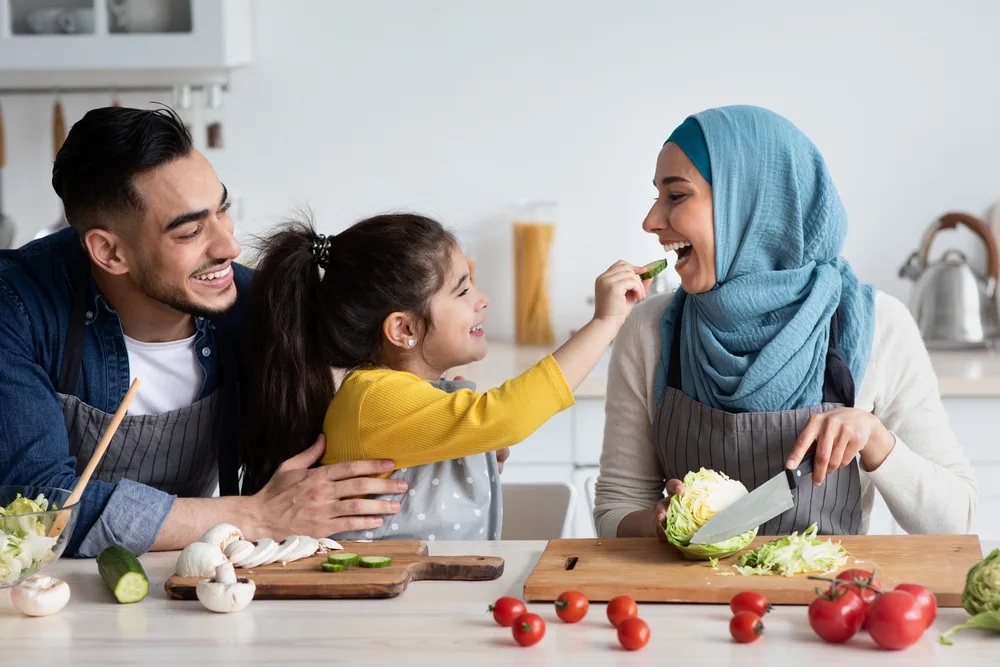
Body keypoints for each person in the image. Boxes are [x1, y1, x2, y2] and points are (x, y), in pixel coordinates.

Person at [0, 106, 424, 558]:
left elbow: (364, 394)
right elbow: (41, 508)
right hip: (51, 585)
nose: (230, 246)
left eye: (223, 211)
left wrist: (440, 403)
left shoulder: (254, 304)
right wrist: (256, 516)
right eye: (190, 232)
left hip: (200, 570)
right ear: (109, 251)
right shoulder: (17, 308)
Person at [594, 105, 978, 540]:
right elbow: (615, 509)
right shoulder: (649, 329)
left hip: (827, 586)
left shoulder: (878, 327)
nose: (650, 222)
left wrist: (876, 441)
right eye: (657, 197)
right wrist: (655, 524)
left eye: (677, 196)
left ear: (751, 204)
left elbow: (956, 522)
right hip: (681, 586)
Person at [240, 215, 649, 541]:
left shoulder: (404, 395)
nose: (482, 299)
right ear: (404, 329)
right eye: (462, 290)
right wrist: (606, 321)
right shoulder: (372, 397)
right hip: (378, 612)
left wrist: (471, 460)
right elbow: (505, 416)